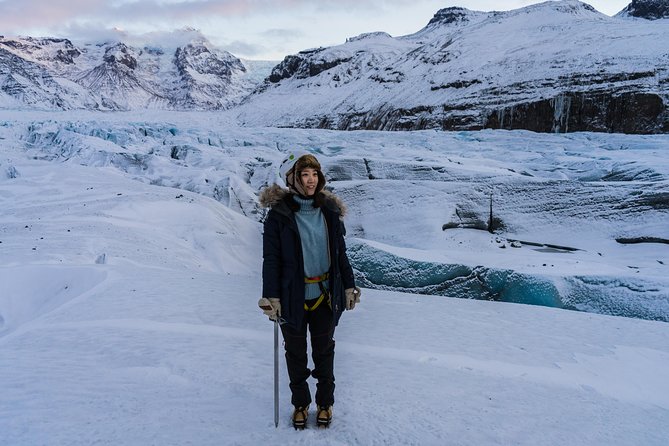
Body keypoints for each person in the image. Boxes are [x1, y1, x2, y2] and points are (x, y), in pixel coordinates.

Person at [258, 152, 360, 429]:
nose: (311, 180)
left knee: (324, 351)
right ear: (293, 178)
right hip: (292, 297)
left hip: (326, 295)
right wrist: (271, 296)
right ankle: (300, 404)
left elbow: (341, 255)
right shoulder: (278, 216)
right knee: (296, 354)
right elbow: (272, 260)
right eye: (304, 174)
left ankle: (325, 403)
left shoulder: (329, 211)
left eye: (314, 174)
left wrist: (349, 286)